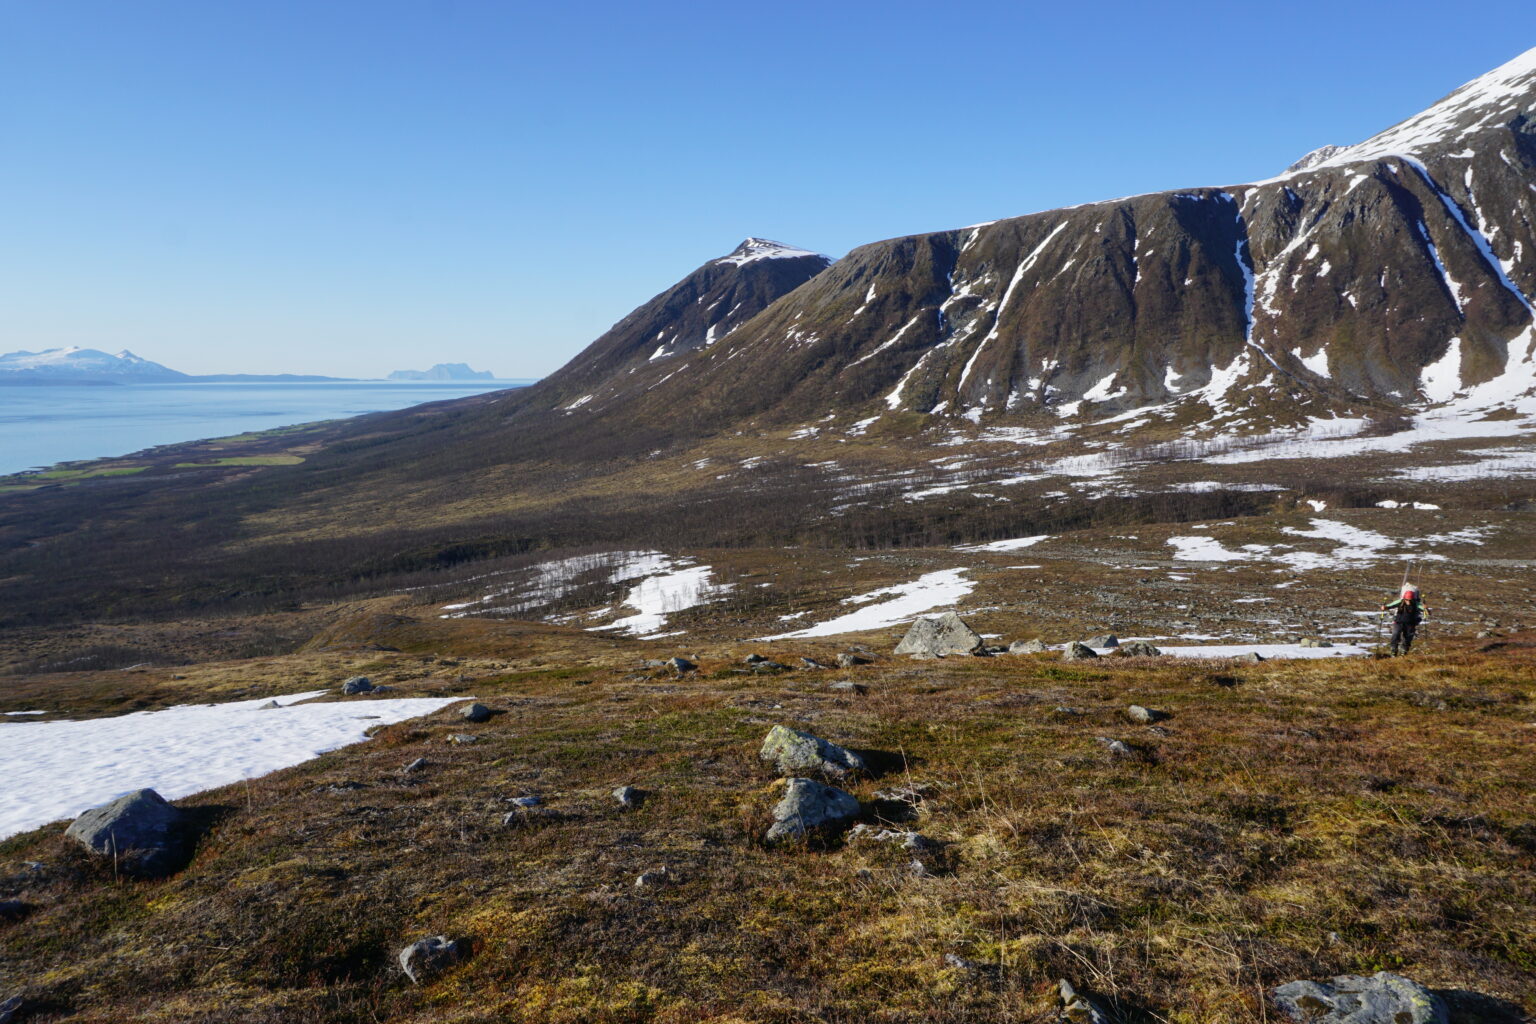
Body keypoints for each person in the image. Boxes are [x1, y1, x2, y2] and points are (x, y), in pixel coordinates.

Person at [1381, 584, 1428, 655]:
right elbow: (1390, 606)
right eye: (1407, 600)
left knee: (1408, 638)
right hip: (1398, 622)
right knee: (1395, 635)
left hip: (1410, 624)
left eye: (1410, 600)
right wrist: (1384, 607)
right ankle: (1393, 650)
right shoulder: (1400, 602)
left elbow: (1427, 612)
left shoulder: (1416, 604)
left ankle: (1404, 651)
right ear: (1404, 598)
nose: (1408, 601)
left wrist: (1426, 609)